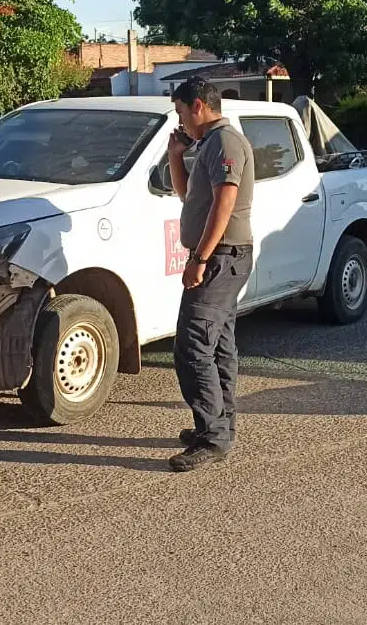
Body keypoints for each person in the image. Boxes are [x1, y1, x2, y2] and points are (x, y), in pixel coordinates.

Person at [165, 76, 256, 472]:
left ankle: (213, 435)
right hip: (221, 256)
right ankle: (220, 425)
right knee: (217, 345)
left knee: (191, 346)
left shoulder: (224, 142)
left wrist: (199, 259)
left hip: (222, 257)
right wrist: (175, 155)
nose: (180, 121)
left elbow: (225, 201)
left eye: (181, 112)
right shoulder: (207, 144)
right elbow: (189, 197)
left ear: (198, 105)